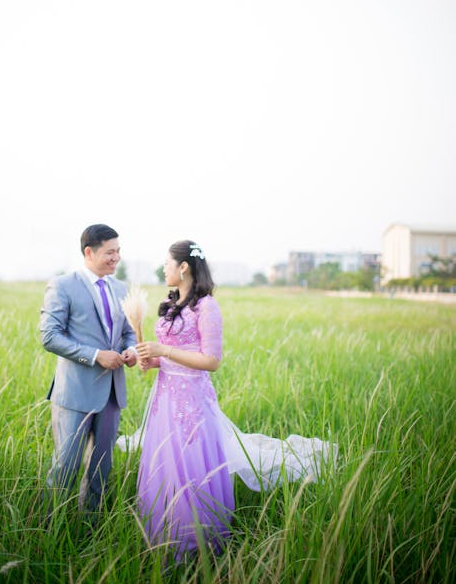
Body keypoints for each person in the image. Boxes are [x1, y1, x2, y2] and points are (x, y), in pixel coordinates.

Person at [118, 240, 337, 560]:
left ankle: (194, 544)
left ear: (184, 267)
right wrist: (151, 360)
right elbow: (168, 358)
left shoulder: (206, 306)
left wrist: (163, 350)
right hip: (164, 398)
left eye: (167, 262)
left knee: (192, 467)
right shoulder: (169, 304)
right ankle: (163, 536)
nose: (162, 268)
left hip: (192, 401)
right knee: (165, 464)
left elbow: (211, 360)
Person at [41, 224, 137, 517]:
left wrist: (131, 349)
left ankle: (91, 528)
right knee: (66, 467)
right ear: (88, 252)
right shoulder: (63, 285)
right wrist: (96, 356)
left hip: (111, 393)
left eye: (118, 251)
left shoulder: (121, 288)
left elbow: (128, 332)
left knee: (101, 468)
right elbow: (49, 336)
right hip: (75, 392)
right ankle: (51, 526)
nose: (116, 258)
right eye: (110, 252)